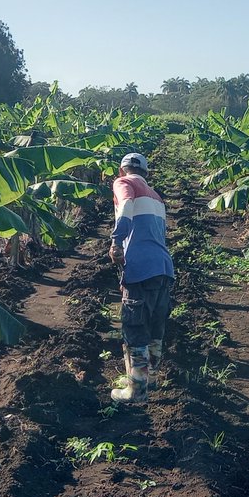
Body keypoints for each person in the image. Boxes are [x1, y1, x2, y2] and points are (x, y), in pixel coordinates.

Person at [108, 152, 174, 403]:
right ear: (147, 173)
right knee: (155, 325)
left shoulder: (124, 183)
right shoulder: (156, 197)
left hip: (140, 267)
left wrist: (116, 241)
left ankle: (136, 390)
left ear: (121, 169)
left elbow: (125, 206)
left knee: (134, 327)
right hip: (164, 267)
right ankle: (152, 379)